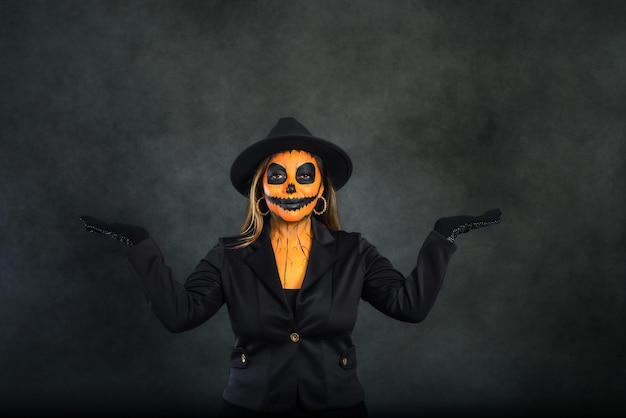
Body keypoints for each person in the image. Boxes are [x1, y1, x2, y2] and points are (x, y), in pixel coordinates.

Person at [80, 117, 501, 417]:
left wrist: (442, 239)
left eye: (304, 175)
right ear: (261, 191)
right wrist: (140, 245)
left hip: (338, 406)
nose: (291, 187)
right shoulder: (230, 254)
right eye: (278, 176)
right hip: (250, 406)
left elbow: (408, 306)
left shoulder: (354, 251)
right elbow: (180, 314)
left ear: (320, 189)